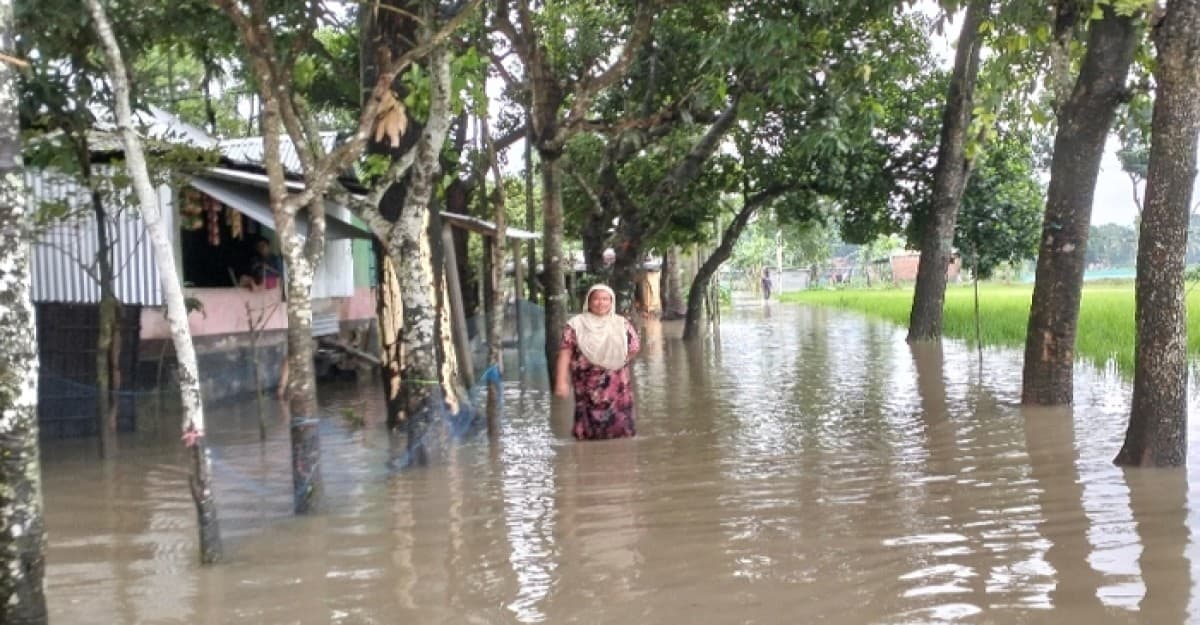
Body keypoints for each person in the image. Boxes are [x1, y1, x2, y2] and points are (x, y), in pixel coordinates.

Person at [554, 283, 641, 440]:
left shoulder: (621, 323)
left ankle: (620, 453)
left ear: (611, 301)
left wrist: (615, 361)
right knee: (587, 427)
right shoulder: (576, 324)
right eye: (596, 299)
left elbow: (634, 347)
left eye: (605, 299)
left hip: (616, 381)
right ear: (588, 301)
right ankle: (587, 452)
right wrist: (561, 381)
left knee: (620, 427)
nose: (601, 303)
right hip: (586, 382)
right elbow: (565, 352)